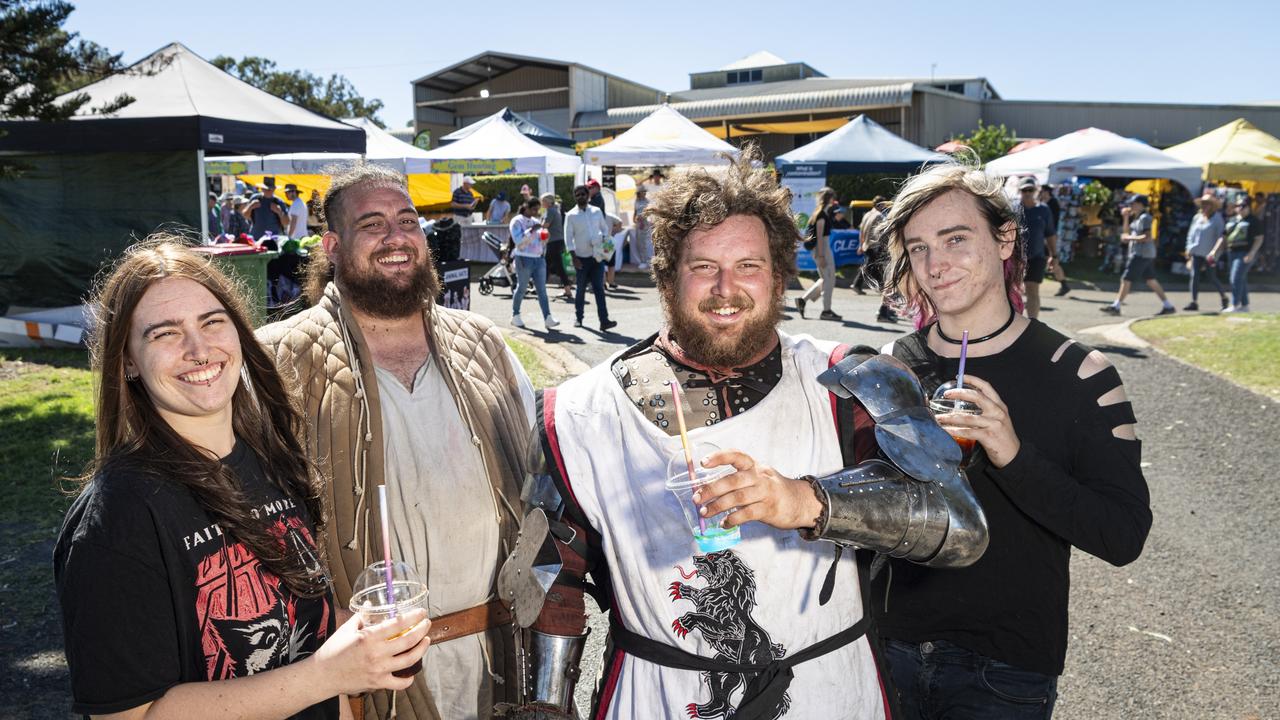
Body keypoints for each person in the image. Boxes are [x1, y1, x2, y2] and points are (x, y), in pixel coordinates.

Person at [494, 148, 989, 719]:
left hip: (829, 691)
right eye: (704, 266)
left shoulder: (851, 379)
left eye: (749, 266)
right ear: (667, 277)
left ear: (779, 277)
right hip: (656, 698)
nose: (726, 288)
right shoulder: (574, 413)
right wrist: (548, 706)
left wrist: (807, 500)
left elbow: (960, 528)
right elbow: (552, 573)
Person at [55, 239, 430, 719]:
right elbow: (129, 716)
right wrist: (326, 673)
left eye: (212, 322)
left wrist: (356, 635)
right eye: (164, 334)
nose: (198, 349)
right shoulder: (118, 517)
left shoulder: (269, 459)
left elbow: (289, 623)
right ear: (127, 360)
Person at [258, 163, 536, 720]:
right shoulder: (279, 361)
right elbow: (250, 527)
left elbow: (542, 474)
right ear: (333, 246)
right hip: (372, 674)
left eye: (407, 220)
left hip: (500, 652)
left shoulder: (482, 343)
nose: (397, 236)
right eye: (373, 224)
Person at [876, 160, 1152, 719]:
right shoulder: (892, 368)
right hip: (883, 651)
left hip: (1004, 671)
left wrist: (1013, 454)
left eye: (956, 239)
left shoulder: (1081, 374)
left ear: (1005, 240)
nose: (936, 264)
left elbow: (1122, 537)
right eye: (920, 247)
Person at [1100, 194, 1175, 316]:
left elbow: (1147, 237)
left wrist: (1129, 238)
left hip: (1141, 253)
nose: (1131, 206)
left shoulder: (1145, 218)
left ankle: (1116, 306)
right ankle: (1168, 305)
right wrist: (1125, 218)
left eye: (1133, 203)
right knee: (1151, 280)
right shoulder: (1137, 218)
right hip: (1144, 253)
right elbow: (1125, 233)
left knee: (1126, 279)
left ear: (1141, 205)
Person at [563, 184, 617, 331]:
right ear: (575, 197)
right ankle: (579, 318)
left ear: (588, 196)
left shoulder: (596, 211)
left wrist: (604, 246)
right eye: (577, 194)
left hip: (597, 258)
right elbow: (568, 239)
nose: (580, 196)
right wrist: (574, 258)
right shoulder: (571, 215)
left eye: (583, 194)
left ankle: (604, 321)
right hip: (581, 259)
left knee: (599, 289)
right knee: (580, 289)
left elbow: (604, 229)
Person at [509, 197, 559, 329]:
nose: (536, 211)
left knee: (542, 290)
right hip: (524, 258)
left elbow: (540, 242)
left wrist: (545, 237)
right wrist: (531, 230)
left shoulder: (536, 221)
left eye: (538, 209)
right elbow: (518, 242)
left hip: (538, 258)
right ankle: (515, 315)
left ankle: (548, 317)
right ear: (526, 208)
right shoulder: (516, 221)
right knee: (522, 288)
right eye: (534, 209)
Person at [1015, 176, 1058, 319]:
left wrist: (1054, 255)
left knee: (1032, 290)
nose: (1027, 192)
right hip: (1015, 257)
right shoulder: (1013, 209)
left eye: (1030, 189)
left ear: (1035, 190)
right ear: (1019, 191)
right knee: (1013, 291)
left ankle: (1033, 323)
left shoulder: (1044, 210)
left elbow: (1050, 234)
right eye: (1024, 190)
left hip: (1036, 257)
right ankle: (1013, 324)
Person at [796, 187, 842, 320]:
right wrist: (821, 256)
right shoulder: (821, 214)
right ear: (831, 199)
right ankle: (826, 311)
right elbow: (820, 237)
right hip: (822, 249)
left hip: (821, 249)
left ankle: (803, 300)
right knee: (829, 280)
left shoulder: (820, 212)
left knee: (825, 280)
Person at [1217, 196, 1265, 313]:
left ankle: (1235, 304)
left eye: (1242, 206)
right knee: (1240, 279)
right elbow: (1223, 237)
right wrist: (1215, 251)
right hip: (1231, 251)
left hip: (1245, 252)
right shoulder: (1232, 220)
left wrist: (1252, 253)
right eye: (1237, 206)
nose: (1239, 208)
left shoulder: (1253, 220)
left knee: (1235, 277)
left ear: (1248, 207)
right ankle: (1244, 306)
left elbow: (1259, 238)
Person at [1183, 193, 1228, 311]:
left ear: (1212, 206)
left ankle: (1224, 297)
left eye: (1207, 204)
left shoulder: (1217, 218)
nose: (1204, 206)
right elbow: (1191, 233)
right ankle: (1194, 301)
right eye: (1203, 204)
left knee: (1211, 277)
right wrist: (1188, 248)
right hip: (1196, 251)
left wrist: (1215, 252)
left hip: (1210, 254)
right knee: (1194, 276)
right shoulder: (1197, 217)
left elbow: (1221, 237)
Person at [858, 196, 898, 323]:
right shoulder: (881, 216)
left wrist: (861, 244)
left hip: (870, 246)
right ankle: (884, 311)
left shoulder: (869, 214)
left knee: (885, 281)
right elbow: (881, 234)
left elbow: (862, 230)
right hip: (880, 248)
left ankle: (886, 310)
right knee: (887, 283)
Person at [1039, 184, 1072, 296]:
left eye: (1041, 191)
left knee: (1052, 261)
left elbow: (1052, 224)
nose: (1039, 193)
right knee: (1051, 261)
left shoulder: (1052, 204)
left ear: (1047, 192)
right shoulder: (1044, 203)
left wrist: (1047, 238)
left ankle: (1064, 284)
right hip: (1044, 237)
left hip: (1048, 237)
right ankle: (1064, 284)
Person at [541, 192, 572, 300]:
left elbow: (545, 225)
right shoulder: (556, 209)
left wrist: (538, 223)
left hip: (553, 242)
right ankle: (541, 288)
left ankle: (567, 290)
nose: (542, 203)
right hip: (557, 241)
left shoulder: (550, 211)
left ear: (548, 202)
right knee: (547, 265)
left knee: (556, 266)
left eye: (543, 201)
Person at [632, 185, 654, 269]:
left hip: (645, 223)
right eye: (643, 191)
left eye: (645, 192)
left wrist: (643, 217)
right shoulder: (636, 201)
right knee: (639, 242)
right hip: (638, 223)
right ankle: (642, 260)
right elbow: (635, 211)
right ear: (639, 193)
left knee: (646, 242)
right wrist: (634, 219)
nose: (644, 193)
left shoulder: (647, 201)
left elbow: (649, 212)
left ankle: (647, 261)